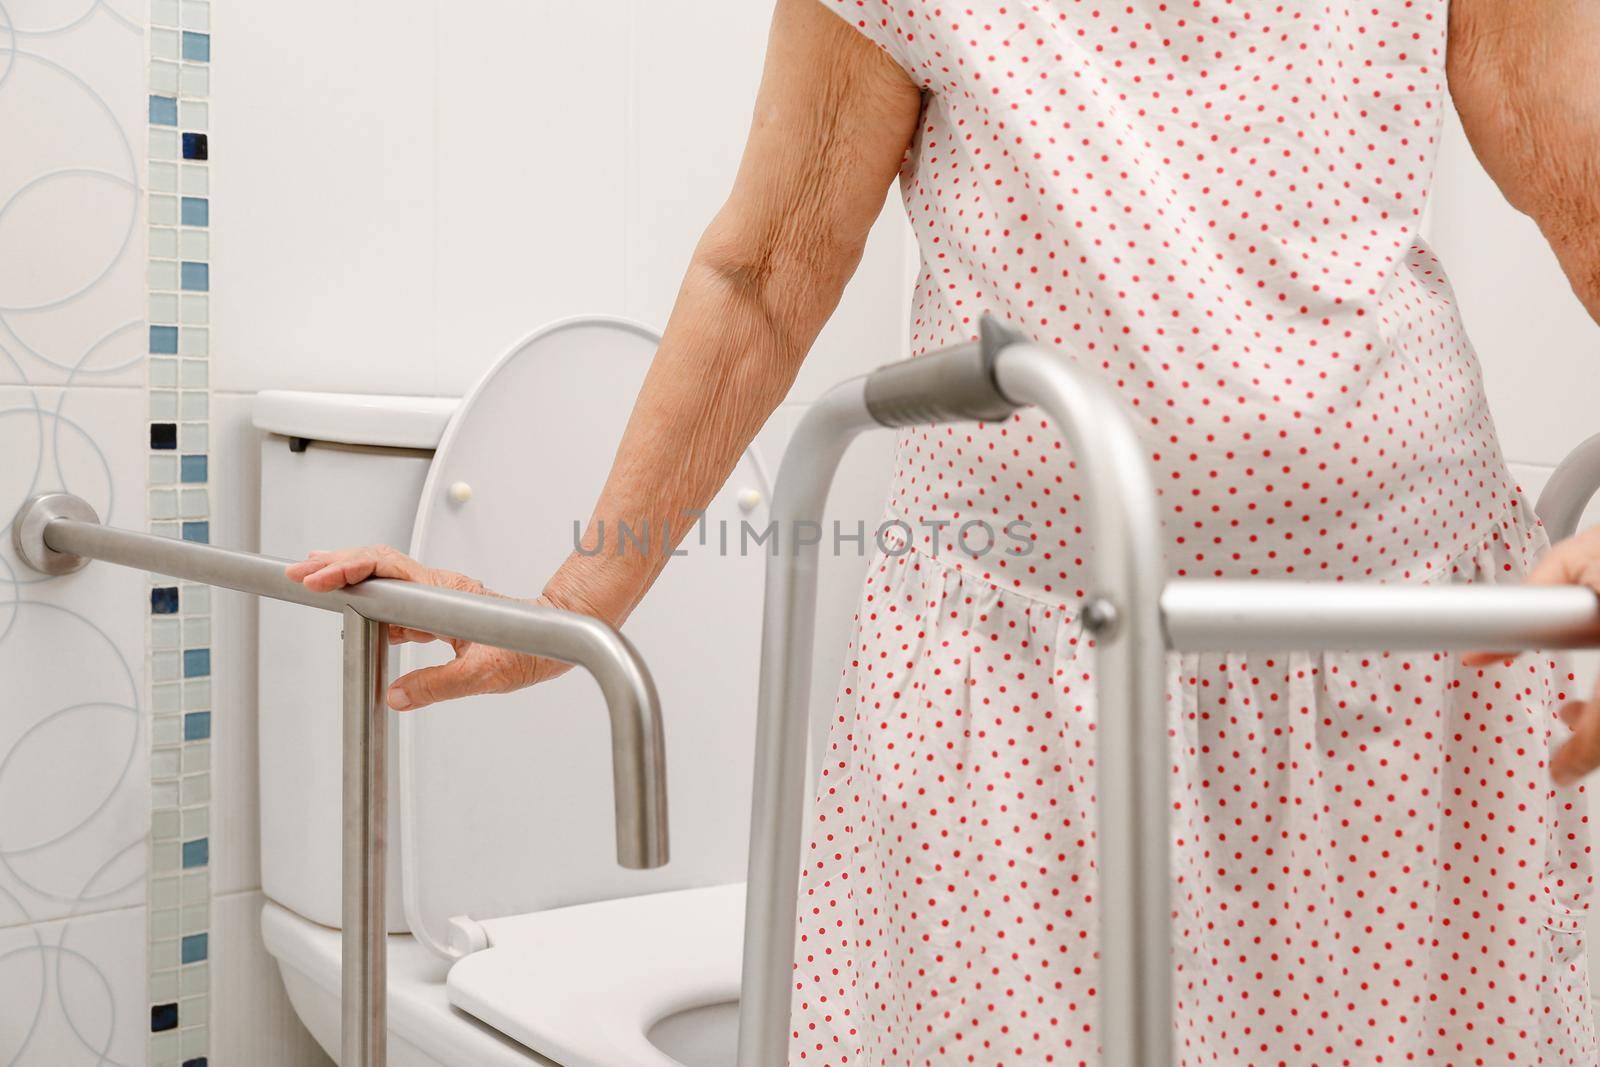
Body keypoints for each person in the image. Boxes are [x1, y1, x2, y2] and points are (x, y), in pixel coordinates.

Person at [288, 0, 1600, 1061]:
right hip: (1026, 690)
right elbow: (765, 272)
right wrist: (564, 613)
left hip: (1405, 656)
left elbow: (1575, 165)